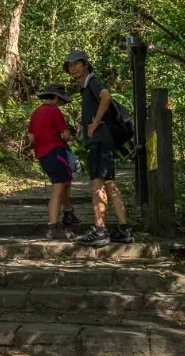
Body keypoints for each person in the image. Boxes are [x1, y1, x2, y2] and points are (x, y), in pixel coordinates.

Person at [64, 50, 134, 247]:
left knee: (97, 183)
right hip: (105, 141)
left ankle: (100, 230)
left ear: (85, 64)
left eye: (76, 63)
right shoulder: (86, 87)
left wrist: (95, 122)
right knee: (110, 183)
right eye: (70, 66)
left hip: (99, 141)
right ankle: (124, 229)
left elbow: (106, 96)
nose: (73, 68)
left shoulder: (92, 81)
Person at [28, 82, 80, 239]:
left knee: (63, 184)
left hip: (43, 156)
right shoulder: (54, 111)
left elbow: (31, 138)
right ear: (57, 98)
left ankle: (68, 213)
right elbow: (65, 135)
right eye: (62, 101)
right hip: (56, 153)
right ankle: (52, 227)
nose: (62, 104)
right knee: (57, 190)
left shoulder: (35, 113)